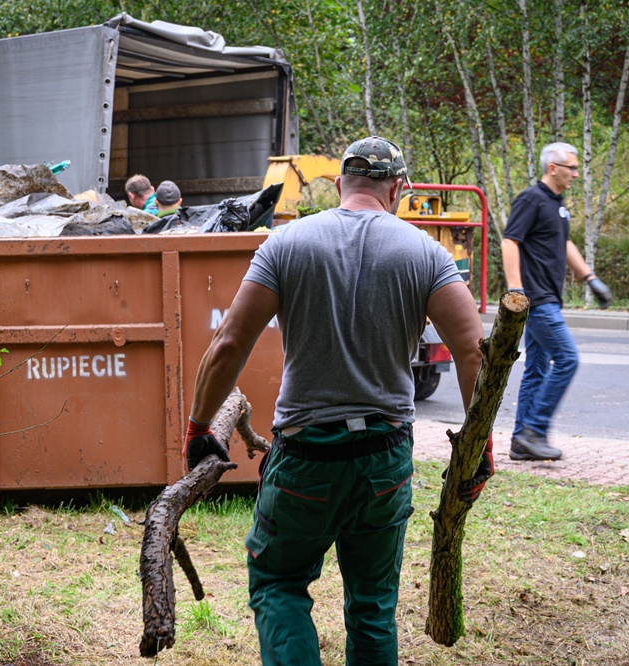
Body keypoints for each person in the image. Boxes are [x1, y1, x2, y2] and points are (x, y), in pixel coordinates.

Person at [182, 136, 492, 666]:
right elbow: (471, 350)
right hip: (384, 459)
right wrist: (478, 446)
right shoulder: (426, 252)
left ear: (340, 183)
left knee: (279, 583)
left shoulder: (286, 243)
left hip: (306, 458)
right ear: (396, 189)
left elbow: (229, 342)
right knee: (372, 605)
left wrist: (199, 428)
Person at [501, 142, 613, 462]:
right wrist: (516, 289)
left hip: (549, 297)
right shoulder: (531, 199)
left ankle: (522, 442)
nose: (576, 174)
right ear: (553, 168)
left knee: (537, 368)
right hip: (537, 299)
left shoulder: (557, 204)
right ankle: (534, 430)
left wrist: (590, 279)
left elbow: (563, 243)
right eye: (572, 168)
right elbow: (511, 241)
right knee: (567, 359)